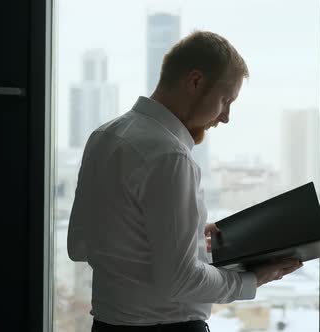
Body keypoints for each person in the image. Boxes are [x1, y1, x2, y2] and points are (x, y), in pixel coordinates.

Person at [67, 30, 303, 332]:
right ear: (195, 82)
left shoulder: (104, 137)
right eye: (225, 100)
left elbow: (80, 245)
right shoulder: (169, 155)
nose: (226, 117)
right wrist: (253, 279)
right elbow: (180, 280)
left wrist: (185, 236)